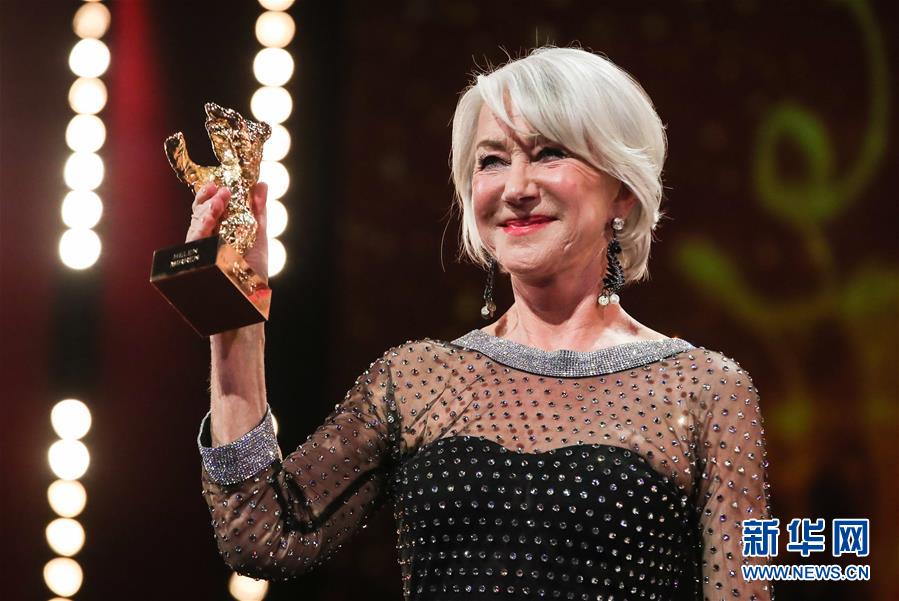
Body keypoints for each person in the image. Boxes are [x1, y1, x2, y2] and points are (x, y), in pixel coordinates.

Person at [188, 46, 774, 601]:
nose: (515, 188)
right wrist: (236, 316)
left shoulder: (706, 391)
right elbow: (259, 535)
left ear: (623, 190)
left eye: (549, 153)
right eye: (491, 161)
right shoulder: (416, 379)